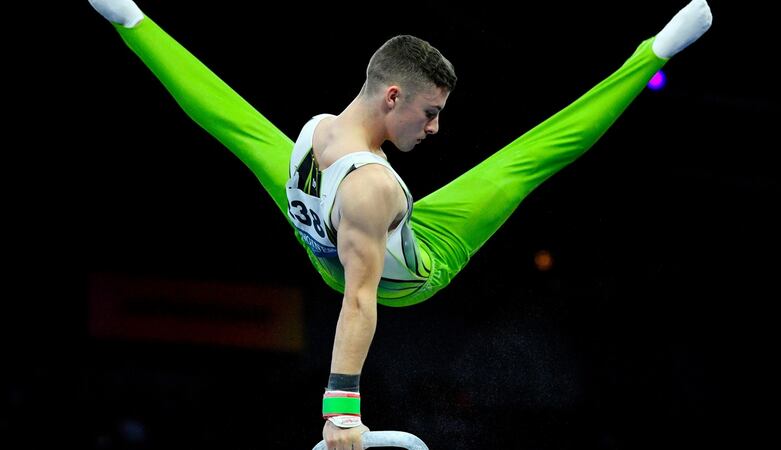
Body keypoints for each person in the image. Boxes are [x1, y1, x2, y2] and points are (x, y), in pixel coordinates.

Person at [87, 0, 712, 448]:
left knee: (239, 126)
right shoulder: (375, 186)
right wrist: (341, 415)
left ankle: (133, 20)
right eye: (430, 113)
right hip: (400, 274)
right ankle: (648, 55)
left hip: (328, 226)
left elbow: (222, 113)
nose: (435, 129)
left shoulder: (317, 133)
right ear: (394, 96)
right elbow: (359, 302)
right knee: (529, 159)